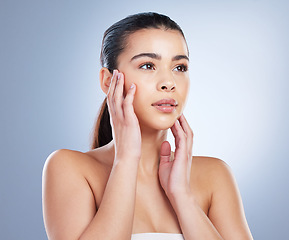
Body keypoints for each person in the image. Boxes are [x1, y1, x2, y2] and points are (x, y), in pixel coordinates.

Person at [42, 12, 253, 240]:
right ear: (107, 80)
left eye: (179, 67)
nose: (169, 83)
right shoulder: (71, 169)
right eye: (148, 65)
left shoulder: (215, 176)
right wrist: (126, 159)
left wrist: (182, 195)